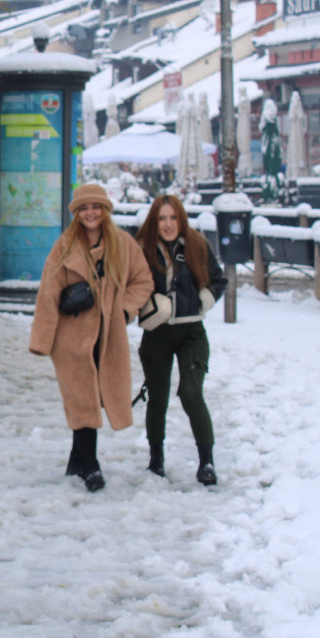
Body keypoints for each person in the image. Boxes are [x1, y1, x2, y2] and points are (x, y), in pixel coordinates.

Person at [29, 184, 154, 492]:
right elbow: (48, 293)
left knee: (97, 397)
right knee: (82, 399)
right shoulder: (65, 246)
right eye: (84, 208)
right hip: (71, 338)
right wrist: (42, 340)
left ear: (105, 210)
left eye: (96, 207)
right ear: (76, 213)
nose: (90, 213)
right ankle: (91, 466)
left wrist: (124, 312)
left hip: (108, 337)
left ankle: (76, 460)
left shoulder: (123, 245)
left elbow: (143, 280)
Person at [134, 195, 228, 486]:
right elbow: (131, 284)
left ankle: (207, 461)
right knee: (157, 398)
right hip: (157, 331)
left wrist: (205, 299)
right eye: (162, 218)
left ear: (181, 219)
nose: (168, 224)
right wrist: (147, 303)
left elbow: (218, 280)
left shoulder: (197, 244)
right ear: (154, 221)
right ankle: (156, 460)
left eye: (173, 217)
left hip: (191, 331)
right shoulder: (142, 248)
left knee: (191, 394)